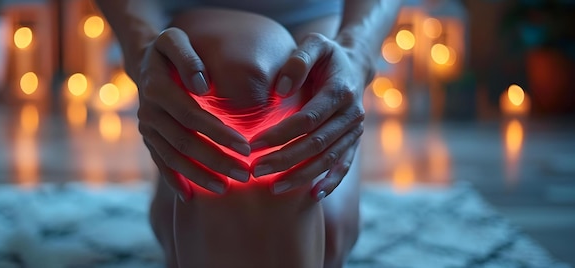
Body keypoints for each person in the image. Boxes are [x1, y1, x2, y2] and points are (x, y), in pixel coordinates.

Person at [95, 1, 401, 267]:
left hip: (322, 19)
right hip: (187, 25)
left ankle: (188, 192)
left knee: (328, 238)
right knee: (246, 80)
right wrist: (142, 47)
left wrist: (356, 53)